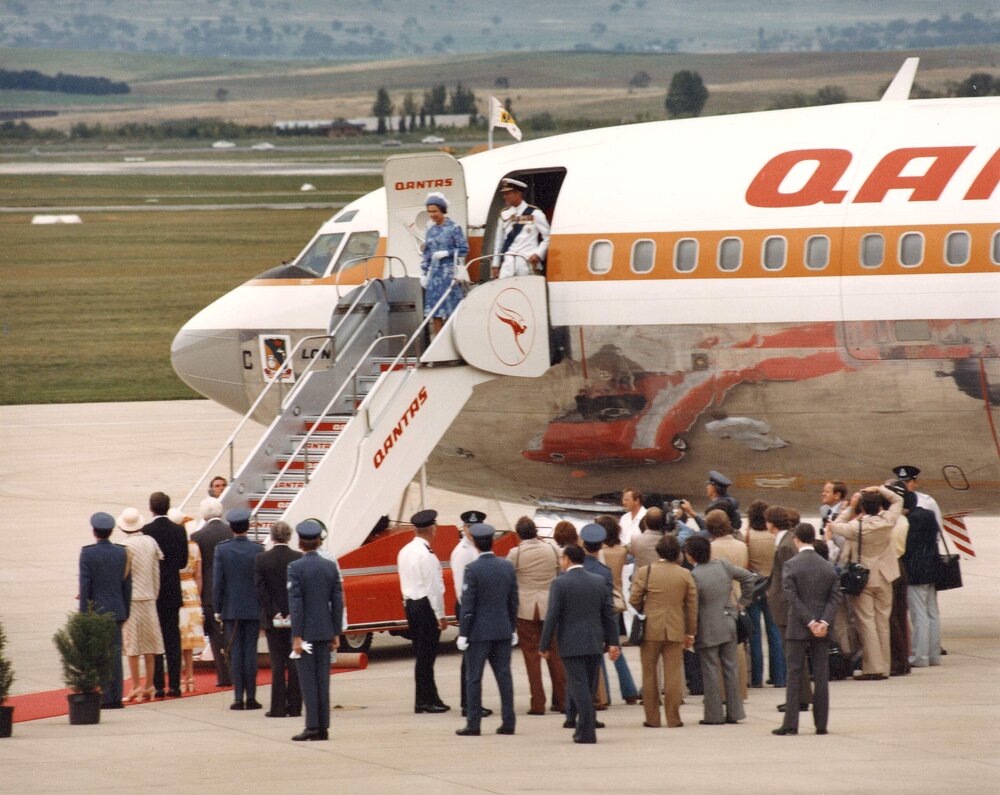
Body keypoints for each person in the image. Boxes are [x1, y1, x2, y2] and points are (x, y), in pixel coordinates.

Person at [539, 544, 621, 745]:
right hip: (594, 640)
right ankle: (584, 728)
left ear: (567, 559)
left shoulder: (560, 583)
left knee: (578, 685)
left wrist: (544, 645)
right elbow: (608, 614)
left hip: (570, 641)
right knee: (590, 685)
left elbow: (552, 616)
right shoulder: (598, 581)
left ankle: (587, 730)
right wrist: (613, 642)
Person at [773, 523, 842, 736]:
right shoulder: (827, 566)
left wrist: (810, 621)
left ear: (796, 539)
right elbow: (835, 597)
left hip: (798, 626)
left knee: (794, 673)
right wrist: (823, 621)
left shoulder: (791, 565)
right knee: (821, 675)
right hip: (822, 628)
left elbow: (792, 597)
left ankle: (791, 723)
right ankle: (821, 724)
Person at [830, 485, 902, 680]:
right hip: (885, 574)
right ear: (879, 506)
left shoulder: (857, 527)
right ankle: (884, 666)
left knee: (866, 622)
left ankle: (873, 667)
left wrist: (851, 508)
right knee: (882, 622)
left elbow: (835, 525)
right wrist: (880, 488)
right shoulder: (888, 520)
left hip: (864, 577)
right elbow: (897, 500)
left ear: (862, 508)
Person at [684, 535, 754, 725]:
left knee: (710, 671)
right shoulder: (723, 565)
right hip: (728, 621)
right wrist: (742, 603)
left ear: (691, 556)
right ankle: (735, 712)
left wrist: (690, 630)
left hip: (707, 627)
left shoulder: (694, 576)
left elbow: (693, 606)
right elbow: (749, 578)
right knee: (730, 668)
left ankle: (713, 715)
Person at [456, 523, 519, 736]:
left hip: (478, 633)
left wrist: (463, 633)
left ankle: (473, 723)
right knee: (504, 677)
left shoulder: (472, 569)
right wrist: (512, 628)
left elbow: (468, 605)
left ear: (474, 542)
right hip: (502, 630)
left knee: (474, 678)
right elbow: (513, 601)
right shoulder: (507, 567)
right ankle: (508, 722)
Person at [630, 534, 697, 728]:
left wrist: (645, 607)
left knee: (649, 673)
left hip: (651, 626)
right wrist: (691, 631)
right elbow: (692, 606)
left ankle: (652, 718)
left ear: (658, 551)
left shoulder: (645, 572)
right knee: (673, 673)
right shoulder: (685, 574)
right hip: (676, 627)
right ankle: (674, 717)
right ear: (677, 553)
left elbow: (634, 598)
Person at [287, 519, 344, 741]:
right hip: (326, 630)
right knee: (323, 680)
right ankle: (323, 726)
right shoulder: (330, 567)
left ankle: (312, 726)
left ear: (300, 543)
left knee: (308, 681)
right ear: (319, 542)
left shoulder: (295, 568)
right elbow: (337, 602)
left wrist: (297, 635)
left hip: (307, 633)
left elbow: (296, 604)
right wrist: (336, 632)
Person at [506, 515, 565, 716]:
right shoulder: (552, 549)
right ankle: (562, 699)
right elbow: (560, 573)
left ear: (518, 534)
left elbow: (510, 579)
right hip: (550, 605)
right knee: (555, 655)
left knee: (531, 657)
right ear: (536, 531)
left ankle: (537, 703)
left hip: (526, 608)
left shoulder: (516, 553)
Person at [78, 512, 132, 709]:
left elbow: (86, 588)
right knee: (115, 654)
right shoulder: (122, 552)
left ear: (94, 532)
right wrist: (126, 610)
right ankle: (115, 696)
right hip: (117, 609)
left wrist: (84, 614)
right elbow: (127, 585)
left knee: (100, 655)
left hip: (97, 611)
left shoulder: (87, 553)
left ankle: (106, 695)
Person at [398, 509, 449, 713]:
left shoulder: (405, 550)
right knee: (426, 657)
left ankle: (430, 697)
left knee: (422, 654)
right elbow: (434, 588)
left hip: (411, 605)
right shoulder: (427, 555)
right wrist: (441, 615)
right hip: (425, 606)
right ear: (432, 529)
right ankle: (423, 701)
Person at [213, 508, 264, 709]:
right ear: (248, 527)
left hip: (231, 609)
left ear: (231, 528)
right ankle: (251, 697)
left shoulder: (222, 550)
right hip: (253, 608)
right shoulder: (257, 549)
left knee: (235, 652)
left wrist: (218, 607)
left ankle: (237, 697)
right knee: (250, 652)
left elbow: (218, 583)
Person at [141, 491, 188, 698]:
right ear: (168, 507)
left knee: (155, 638)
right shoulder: (179, 531)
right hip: (172, 589)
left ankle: (158, 685)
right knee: (173, 638)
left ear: (151, 508)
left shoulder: (146, 531)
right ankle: (175, 685)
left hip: (154, 591)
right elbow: (183, 563)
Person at [254, 520, 303, 718]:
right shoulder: (298, 558)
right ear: (289, 537)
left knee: (277, 663)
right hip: (294, 617)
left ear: (272, 537)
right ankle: (295, 706)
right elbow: (299, 590)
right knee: (294, 662)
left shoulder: (261, 559)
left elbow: (260, 589)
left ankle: (278, 707)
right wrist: (290, 611)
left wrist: (275, 611)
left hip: (272, 618)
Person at [118, 508, 164, 704]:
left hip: (132, 599)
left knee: (132, 645)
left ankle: (136, 685)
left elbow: (123, 576)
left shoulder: (123, 546)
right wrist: (154, 593)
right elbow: (156, 571)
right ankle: (150, 685)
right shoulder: (150, 541)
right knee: (150, 645)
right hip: (149, 597)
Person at [593, 515, 640, 705]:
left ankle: (602, 694)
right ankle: (629, 690)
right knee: (616, 648)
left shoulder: (597, 552)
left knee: (597, 648)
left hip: (598, 601)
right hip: (615, 600)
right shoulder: (621, 551)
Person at [450, 510, 492, 718]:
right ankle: (469, 704)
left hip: (478, 607)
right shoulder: (462, 552)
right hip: (469, 609)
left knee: (474, 659)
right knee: (471, 658)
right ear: (464, 528)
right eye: (469, 527)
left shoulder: (475, 548)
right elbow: (461, 589)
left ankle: (472, 701)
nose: (472, 531)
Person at [766, 506, 807, 712]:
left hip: (786, 606)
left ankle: (796, 698)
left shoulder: (784, 546)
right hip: (789, 604)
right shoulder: (789, 540)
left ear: (771, 524)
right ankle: (802, 695)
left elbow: (788, 579)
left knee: (791, 653)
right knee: (795, 653)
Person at [706, 509, 750, 701]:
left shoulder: (711, 548)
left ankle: (721, 691)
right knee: (737, 646)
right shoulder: (741, 546)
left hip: (718, 599)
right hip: (737, 598)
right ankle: (739, 689)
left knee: (716, 648)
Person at [190, 497, 233, 687]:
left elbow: (197, 569)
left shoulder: (197, 537)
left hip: (209, 591)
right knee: (233, 634)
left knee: (215, 637)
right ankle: (237, 672)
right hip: (232, 591)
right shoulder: (232, 532)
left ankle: (223, 676)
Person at [900, 491, 943, 668]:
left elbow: (907, 548)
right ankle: (934, 655)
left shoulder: (910, 521)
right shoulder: (929, 515)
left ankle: (920, 656)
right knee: (933, 614)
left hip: (916, 573)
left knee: (919, 617)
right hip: (932, 570)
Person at [744, 500, 784, 689]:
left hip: (754, 587)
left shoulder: (749, 536)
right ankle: (779, 676)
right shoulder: (773, 537)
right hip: (773, 586)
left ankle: (757, 677)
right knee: (775, 633)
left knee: (755, 635)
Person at [420, 191, 469, 335]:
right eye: (429, 212)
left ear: (442, 210)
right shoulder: (430, 229)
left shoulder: (454, 228)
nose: (432, 215)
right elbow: (427, 253)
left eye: (435, 211)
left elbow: (464, 249)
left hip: (449, 275)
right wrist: (423, 273)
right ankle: (437, 345)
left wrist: (447, 253)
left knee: (450, 310)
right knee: (435, 312)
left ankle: (450, 341)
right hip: (434, 276)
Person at [491, 178, 551, 279]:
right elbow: (499, 242)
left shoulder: (535, 213)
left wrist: (538, 254)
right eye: (504, 194)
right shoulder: (504, 214)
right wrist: (495, 264)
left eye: (508, 193)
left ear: (518, 194)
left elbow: (548, 237)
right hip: (508, 267)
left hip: (527, 265)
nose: (504, 197)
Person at [178, 529, 204, 693]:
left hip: (177, 589)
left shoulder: (174, 546)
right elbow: (199, 575)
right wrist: (198, 595)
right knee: (190, 639)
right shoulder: (194, 547)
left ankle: (181, 677)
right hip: (191, 589)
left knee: (180, 638)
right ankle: (191, 677)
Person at [679, 470, 741, 535]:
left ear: (713, 488)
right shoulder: (727, 501)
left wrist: (690, 512)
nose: (707, 487)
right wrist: (691, 512)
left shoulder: (717, 507)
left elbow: (708, 529)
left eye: (709, 485)